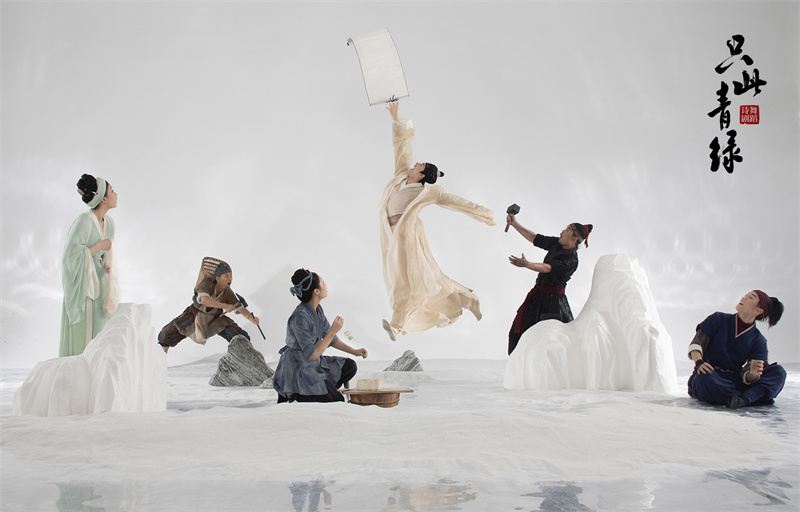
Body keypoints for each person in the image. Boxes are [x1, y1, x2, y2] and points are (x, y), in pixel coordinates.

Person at [380, 102, 495, 340]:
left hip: (407, 235)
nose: (414, 164)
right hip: (390, 233)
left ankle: (396, 325)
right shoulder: (401, 177)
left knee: (406, 280)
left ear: (422, 175)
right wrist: (396, 116)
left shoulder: (429, 191)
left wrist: (485, 214)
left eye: (419, 165)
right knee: (418, 278)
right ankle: (466, 299)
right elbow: (402, 149)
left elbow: (459, 202)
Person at [272, 269, 368, 403]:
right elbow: (312, 354)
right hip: (299, 367)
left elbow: (332, 340)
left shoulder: (318, 310)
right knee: (337, 399)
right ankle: (301, 393)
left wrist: (354, 351)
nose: (325, 284)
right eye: (322, 281)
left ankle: (321, 390)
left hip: (313, 363)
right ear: (315, 291)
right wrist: (332, 332)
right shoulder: (299, 318)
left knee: (350, 366)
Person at [506, 216, 593, 354]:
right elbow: (535, 238)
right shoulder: (557, 243)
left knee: (551, 344)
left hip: (554, 304)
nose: (562, 231)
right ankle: (519, 372)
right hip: (537, 298)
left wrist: (527, 264)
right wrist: (515, 224)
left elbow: (547, 268)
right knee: (518, 335)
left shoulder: (571, 260)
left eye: (567, 230)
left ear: (574, 238)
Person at [688, 290, 786, 409]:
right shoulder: (717, 319)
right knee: (704, 379)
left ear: (759, 311)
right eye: (746, 295)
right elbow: (696, 344)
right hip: (709, 374)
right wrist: (699, 362)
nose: (744, 297)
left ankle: (741, 399)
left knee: (779, 372)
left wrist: (753, 375)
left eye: (751, 297)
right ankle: (748, 398)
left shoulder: (759, 340)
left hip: (735, 380)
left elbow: (750, 376)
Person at [59, 174, 119, 357]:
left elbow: (104, 255)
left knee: (100, 333)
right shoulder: (83, 222)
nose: (116, 194)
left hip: (100, 282)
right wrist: (98, 247)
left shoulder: (109, 223)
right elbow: (69, 258)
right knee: (84, 335)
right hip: (84, 285)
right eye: (112, 191)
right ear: (103, 198)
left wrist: (105, 263)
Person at [157, 258, 260, 353]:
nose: (230, 279)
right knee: (167, 335)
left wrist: (252, 318)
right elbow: (204, 300)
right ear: (218, 278)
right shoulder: (206, 283)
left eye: (230, 276)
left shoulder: (228, 292)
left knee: (239, 336)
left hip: (215, 318)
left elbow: (240, 308)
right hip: (196, 314)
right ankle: (159, 359)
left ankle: (245, 358)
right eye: (226, 276)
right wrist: (225, 306)